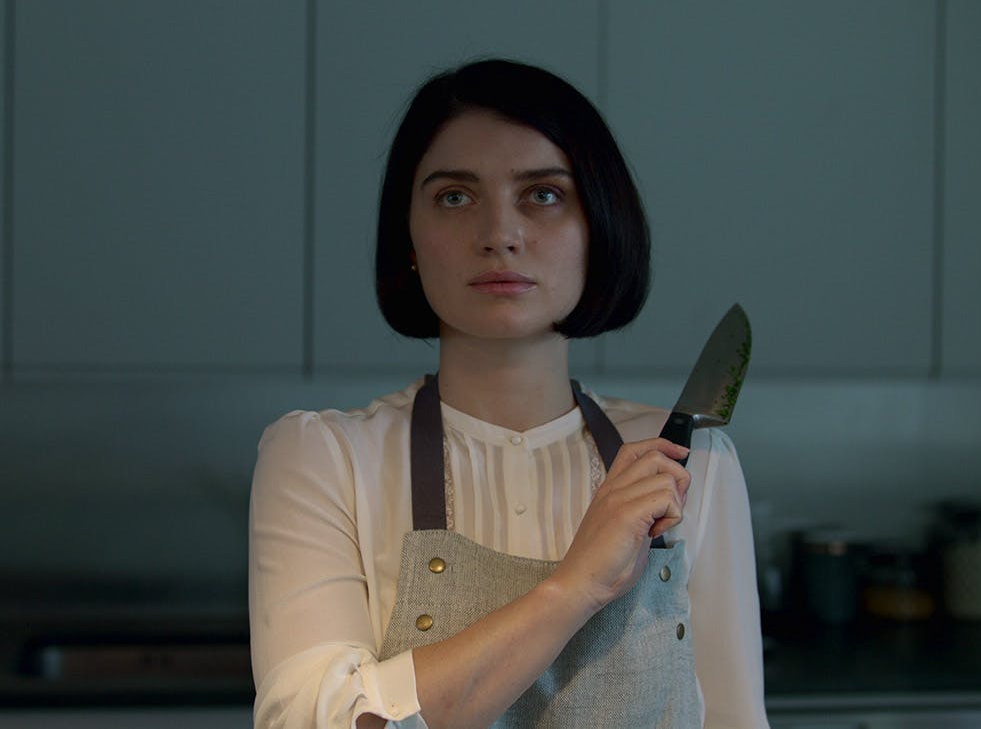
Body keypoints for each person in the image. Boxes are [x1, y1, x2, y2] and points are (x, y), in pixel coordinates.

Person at [249, 59, 768, 728]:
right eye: (454, 197)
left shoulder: (689, 463)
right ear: (408, 238)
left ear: (599, 227)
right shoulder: (322, 457)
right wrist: (574, 586)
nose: (498, 235)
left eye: (543, 194)